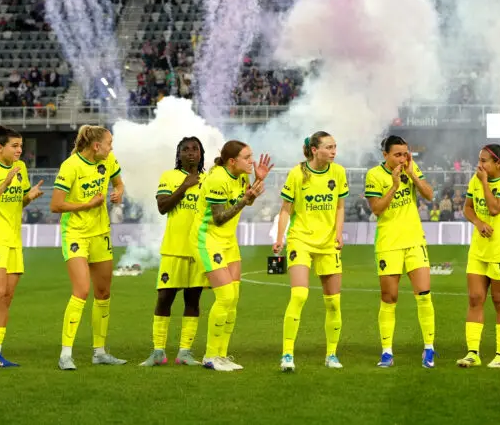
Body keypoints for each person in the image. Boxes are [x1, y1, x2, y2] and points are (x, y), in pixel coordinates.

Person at [190, 140, 272, 372]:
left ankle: (222, 355)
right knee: (225, 296)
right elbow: (218, 218)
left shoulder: (241, 176)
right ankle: (209, 356)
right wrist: (246, 200)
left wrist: (258, 182)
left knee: (233, 298)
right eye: (247, 157)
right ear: (232, 161)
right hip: (207, 239)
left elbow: (246, 199)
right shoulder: (217, 178)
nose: (252, 161)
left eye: (252, 156)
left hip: (227, 241)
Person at [50, 125, 127, 370]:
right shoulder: (70, 166)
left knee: (103, 293)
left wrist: (118, 193)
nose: (111, 147)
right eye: (109, 143)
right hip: (75, 234)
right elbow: (56, 205)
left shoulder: (110, 160)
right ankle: (65, 355)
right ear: (96, 146)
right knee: (81, 290)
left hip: (101, 233)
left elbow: (119, 184)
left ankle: (99, 352)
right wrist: (87, 204)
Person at [274, 131, 348, 372]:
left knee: (334, 303)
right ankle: (287, 355)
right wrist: (280, 238)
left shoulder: (338, 172)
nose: (334, 151)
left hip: (328, 244)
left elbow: (339, 206)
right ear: (315, 150)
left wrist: (338, 233)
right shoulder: (297, 174)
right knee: (299, 296)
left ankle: (332, 355)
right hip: (301, 240)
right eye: (329, 147)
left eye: (335, 146)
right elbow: (286, 209)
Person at [0, 125, 44, 369]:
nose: (19, 150)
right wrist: (4, 183)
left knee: (7, 296)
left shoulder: (21, 168)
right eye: (15, 145)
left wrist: (29, 197)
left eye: (21, 145)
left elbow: (17, 203)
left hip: (14, 239)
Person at [364, 135, 436, 368]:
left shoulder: (411, 169)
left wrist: (413, 174)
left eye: (405, 154)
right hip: (388, 243)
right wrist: (395, 186)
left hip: (414, 240)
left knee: (424, 294)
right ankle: (387, 352)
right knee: (389, 297)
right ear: (385, 155)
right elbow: (377, 209)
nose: (402, 158)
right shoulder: (374, 175)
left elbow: (429, 194)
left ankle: (429, 349)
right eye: (397, 154)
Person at [457, 144, 500, 369]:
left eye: (485, 160)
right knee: (475, 299)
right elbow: (467, 208)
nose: (480, 165)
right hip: (478, 250)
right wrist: (478, 222)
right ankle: (472, 353)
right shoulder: (475, 180)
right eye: (479, 159)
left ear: (499, 163)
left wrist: (485, 183)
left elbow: (495, 208)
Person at [141, 137, 208, 367]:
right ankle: (158, 351)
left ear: (201, 154)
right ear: (178, 155)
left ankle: (185, 352)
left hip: (198, 250)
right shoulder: (168, 177)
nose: (191, 153)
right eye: (185, 150)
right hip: (173, 249)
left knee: (193, 301)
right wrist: (185, 186)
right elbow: (162, 207)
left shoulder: (208, 180)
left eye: (195, 150)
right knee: (164, 298)